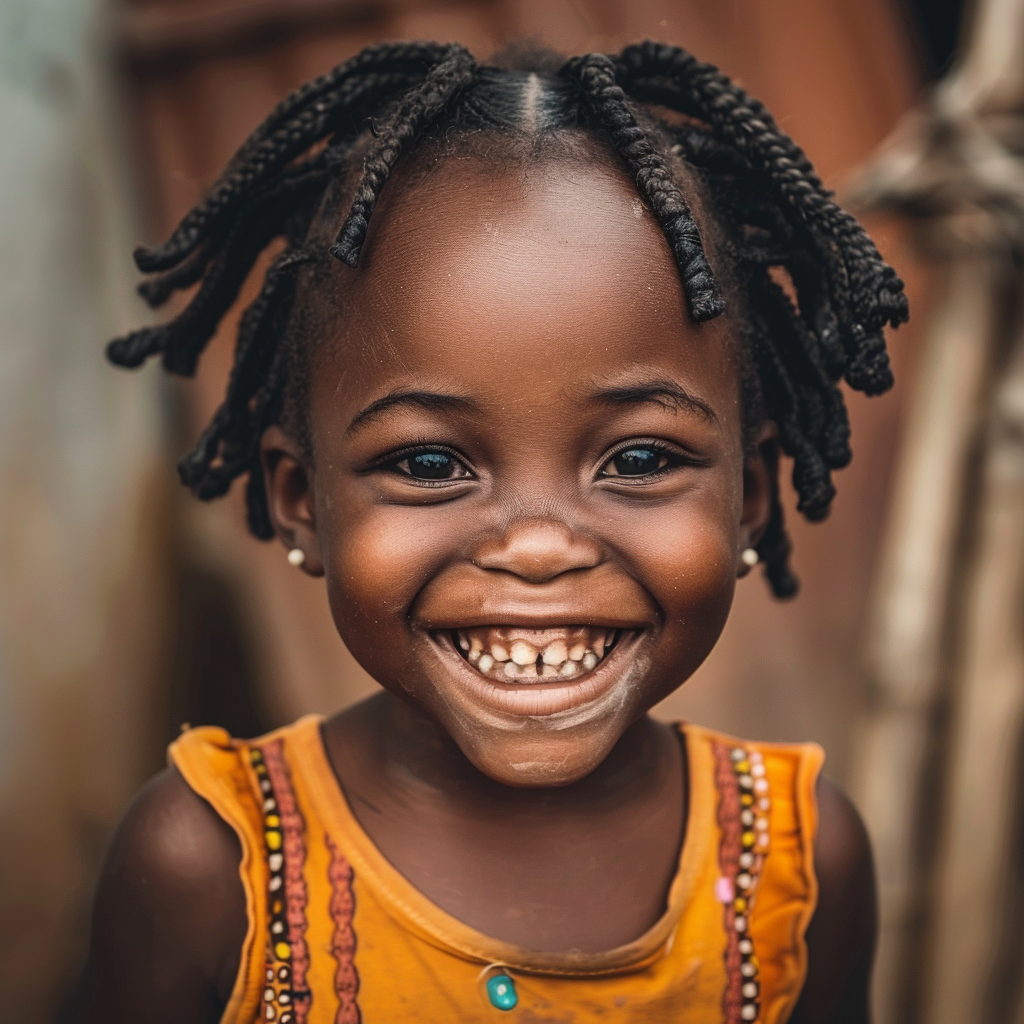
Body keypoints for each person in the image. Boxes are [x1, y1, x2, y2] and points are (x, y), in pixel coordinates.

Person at [80, 41, 907, 1024]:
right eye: (429, 464)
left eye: (637, 460)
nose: (539, 546)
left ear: (753, 496)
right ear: (302, 499)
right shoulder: (209, 870)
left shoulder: (800, 861)